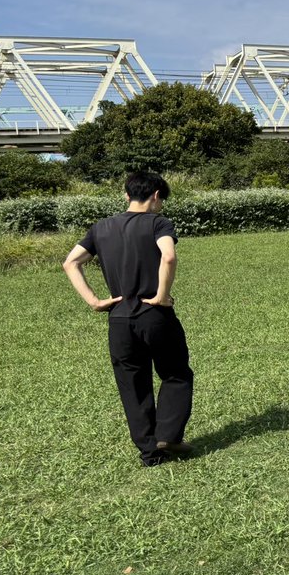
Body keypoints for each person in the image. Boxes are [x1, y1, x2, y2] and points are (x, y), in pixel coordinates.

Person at [62, 170, 194, 466]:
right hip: (154, 314)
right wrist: (161, 295)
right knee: (176, 374)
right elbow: (169, 256)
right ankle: (169, 435)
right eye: (161, 200)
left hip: (119, 319)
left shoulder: (101, 227)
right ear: (157, 195)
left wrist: (95, 301)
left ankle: (150, 454)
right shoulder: (159, 223)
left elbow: (70, 263)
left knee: (133, 385)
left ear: (126, 195)